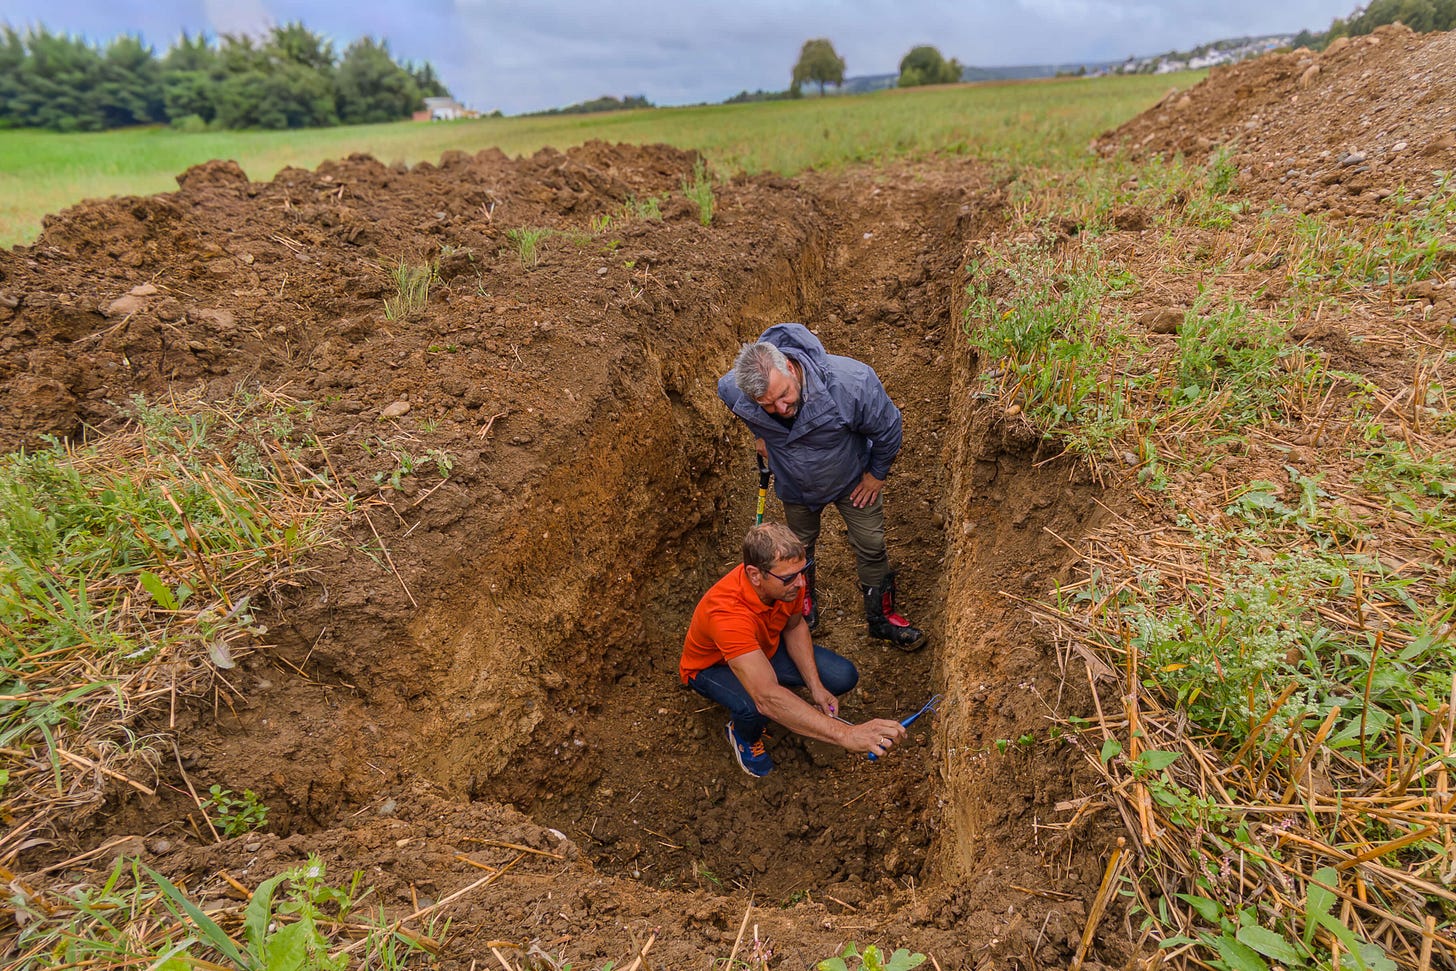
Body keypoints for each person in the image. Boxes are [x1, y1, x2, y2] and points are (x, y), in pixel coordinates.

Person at [719, 322, 926, 651]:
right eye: (768, 406)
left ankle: (881, 618)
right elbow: (736, 403)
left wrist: (877, 473)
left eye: (784, 396)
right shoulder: (734, 389)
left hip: (851, 478)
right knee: (798, 549)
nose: (781, 410)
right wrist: (759, 433)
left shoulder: (851, 383)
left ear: (789, 365)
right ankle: (802, 605)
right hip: (795, 485)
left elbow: (889, 428)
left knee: (871, 545)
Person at [681, 523, 910, 778]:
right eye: (790, 577)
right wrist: (847, 735)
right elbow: (766, 698)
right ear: (755, 575)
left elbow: (794, 626)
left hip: (764, 648)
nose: (801, 583)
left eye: (804, 571)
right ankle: (742, 733)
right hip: (711, 667)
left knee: (841, 676)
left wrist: (816, 687)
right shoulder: (726, 614)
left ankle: (782, 697)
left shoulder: (789, 584)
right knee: (755, 706)